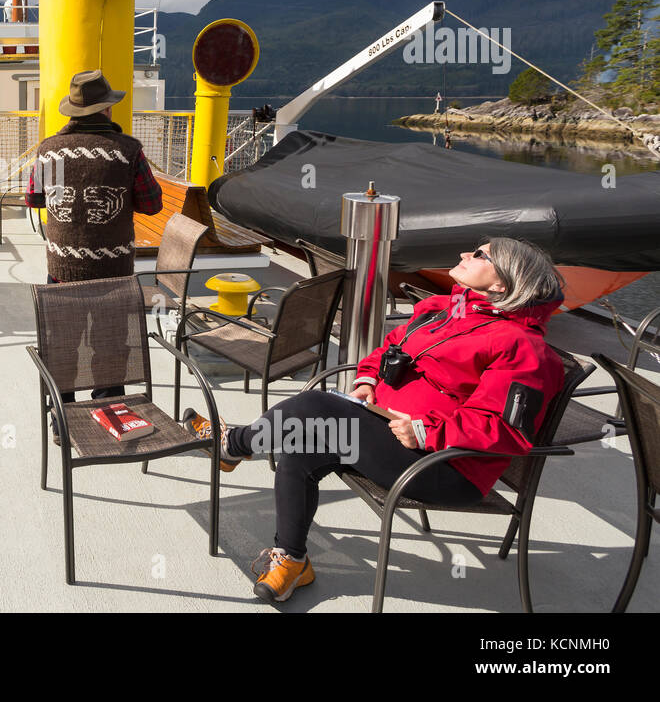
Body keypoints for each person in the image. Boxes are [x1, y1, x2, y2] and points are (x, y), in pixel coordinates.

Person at [182, 237, 566, 604]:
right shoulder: (445, 310)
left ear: (502, 282)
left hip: (445, 465)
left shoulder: (524, 348)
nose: (467, 252)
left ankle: (232, 444)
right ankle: (293, 559)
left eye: (480, 254)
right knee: (302, 444)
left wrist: (427, 430)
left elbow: (505, 428)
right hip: (387, 430)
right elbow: (391, 347)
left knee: (315, 405)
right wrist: (368, 378)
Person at [26, 70, 163, 440]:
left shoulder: (49, 150)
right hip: (113, 268)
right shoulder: (128, 151)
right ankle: (108, 410)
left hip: (62, 267)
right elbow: (152, 205)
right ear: (106, 110)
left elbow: (34, 199)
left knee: (63, 341)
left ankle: (62, 417)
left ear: (72, 111)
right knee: (110, 341)